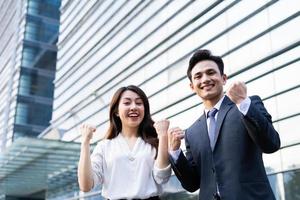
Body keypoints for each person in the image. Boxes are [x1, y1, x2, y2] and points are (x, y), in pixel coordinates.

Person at [168, 49, 281, 200]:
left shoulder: (247, 105)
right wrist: (175, 152)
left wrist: (243, 102)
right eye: (198, 76)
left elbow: (271, 144)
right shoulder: (191, 132)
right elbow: (192, 184)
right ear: (192, 86)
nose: (205, 79)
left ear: (224, 78)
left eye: (211, 72)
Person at [78, 85, 171, 200]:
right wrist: (85, 142)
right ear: (116, 111)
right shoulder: (104, 146)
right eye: (127, 103)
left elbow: (162, 177)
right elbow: (85, 186)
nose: (133, 107)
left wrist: (163, 137)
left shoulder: (155, 142)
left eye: (139, 103)